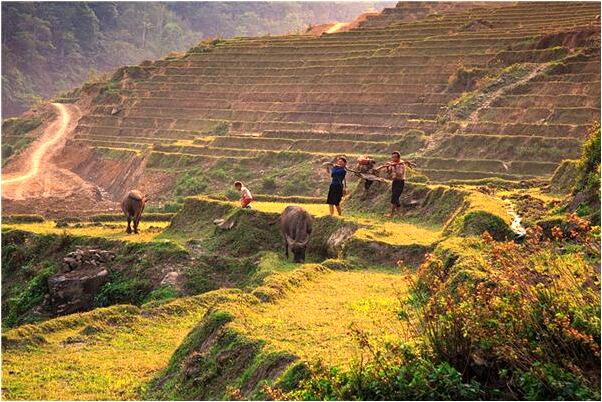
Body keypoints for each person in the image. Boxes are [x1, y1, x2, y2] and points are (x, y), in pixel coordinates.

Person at [376, 151, 414, 217]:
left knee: (394, 198)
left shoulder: (401, 164)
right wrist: (388, 167)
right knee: (396, 198)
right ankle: (399, 214)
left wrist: (395, 166)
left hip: (400, 182)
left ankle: (391, 214)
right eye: (392, 157)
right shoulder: (393, 164)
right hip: (394, 182)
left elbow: (400, 174)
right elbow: (389, 173)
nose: (393, 158)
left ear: (398, 158)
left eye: (394, 157)